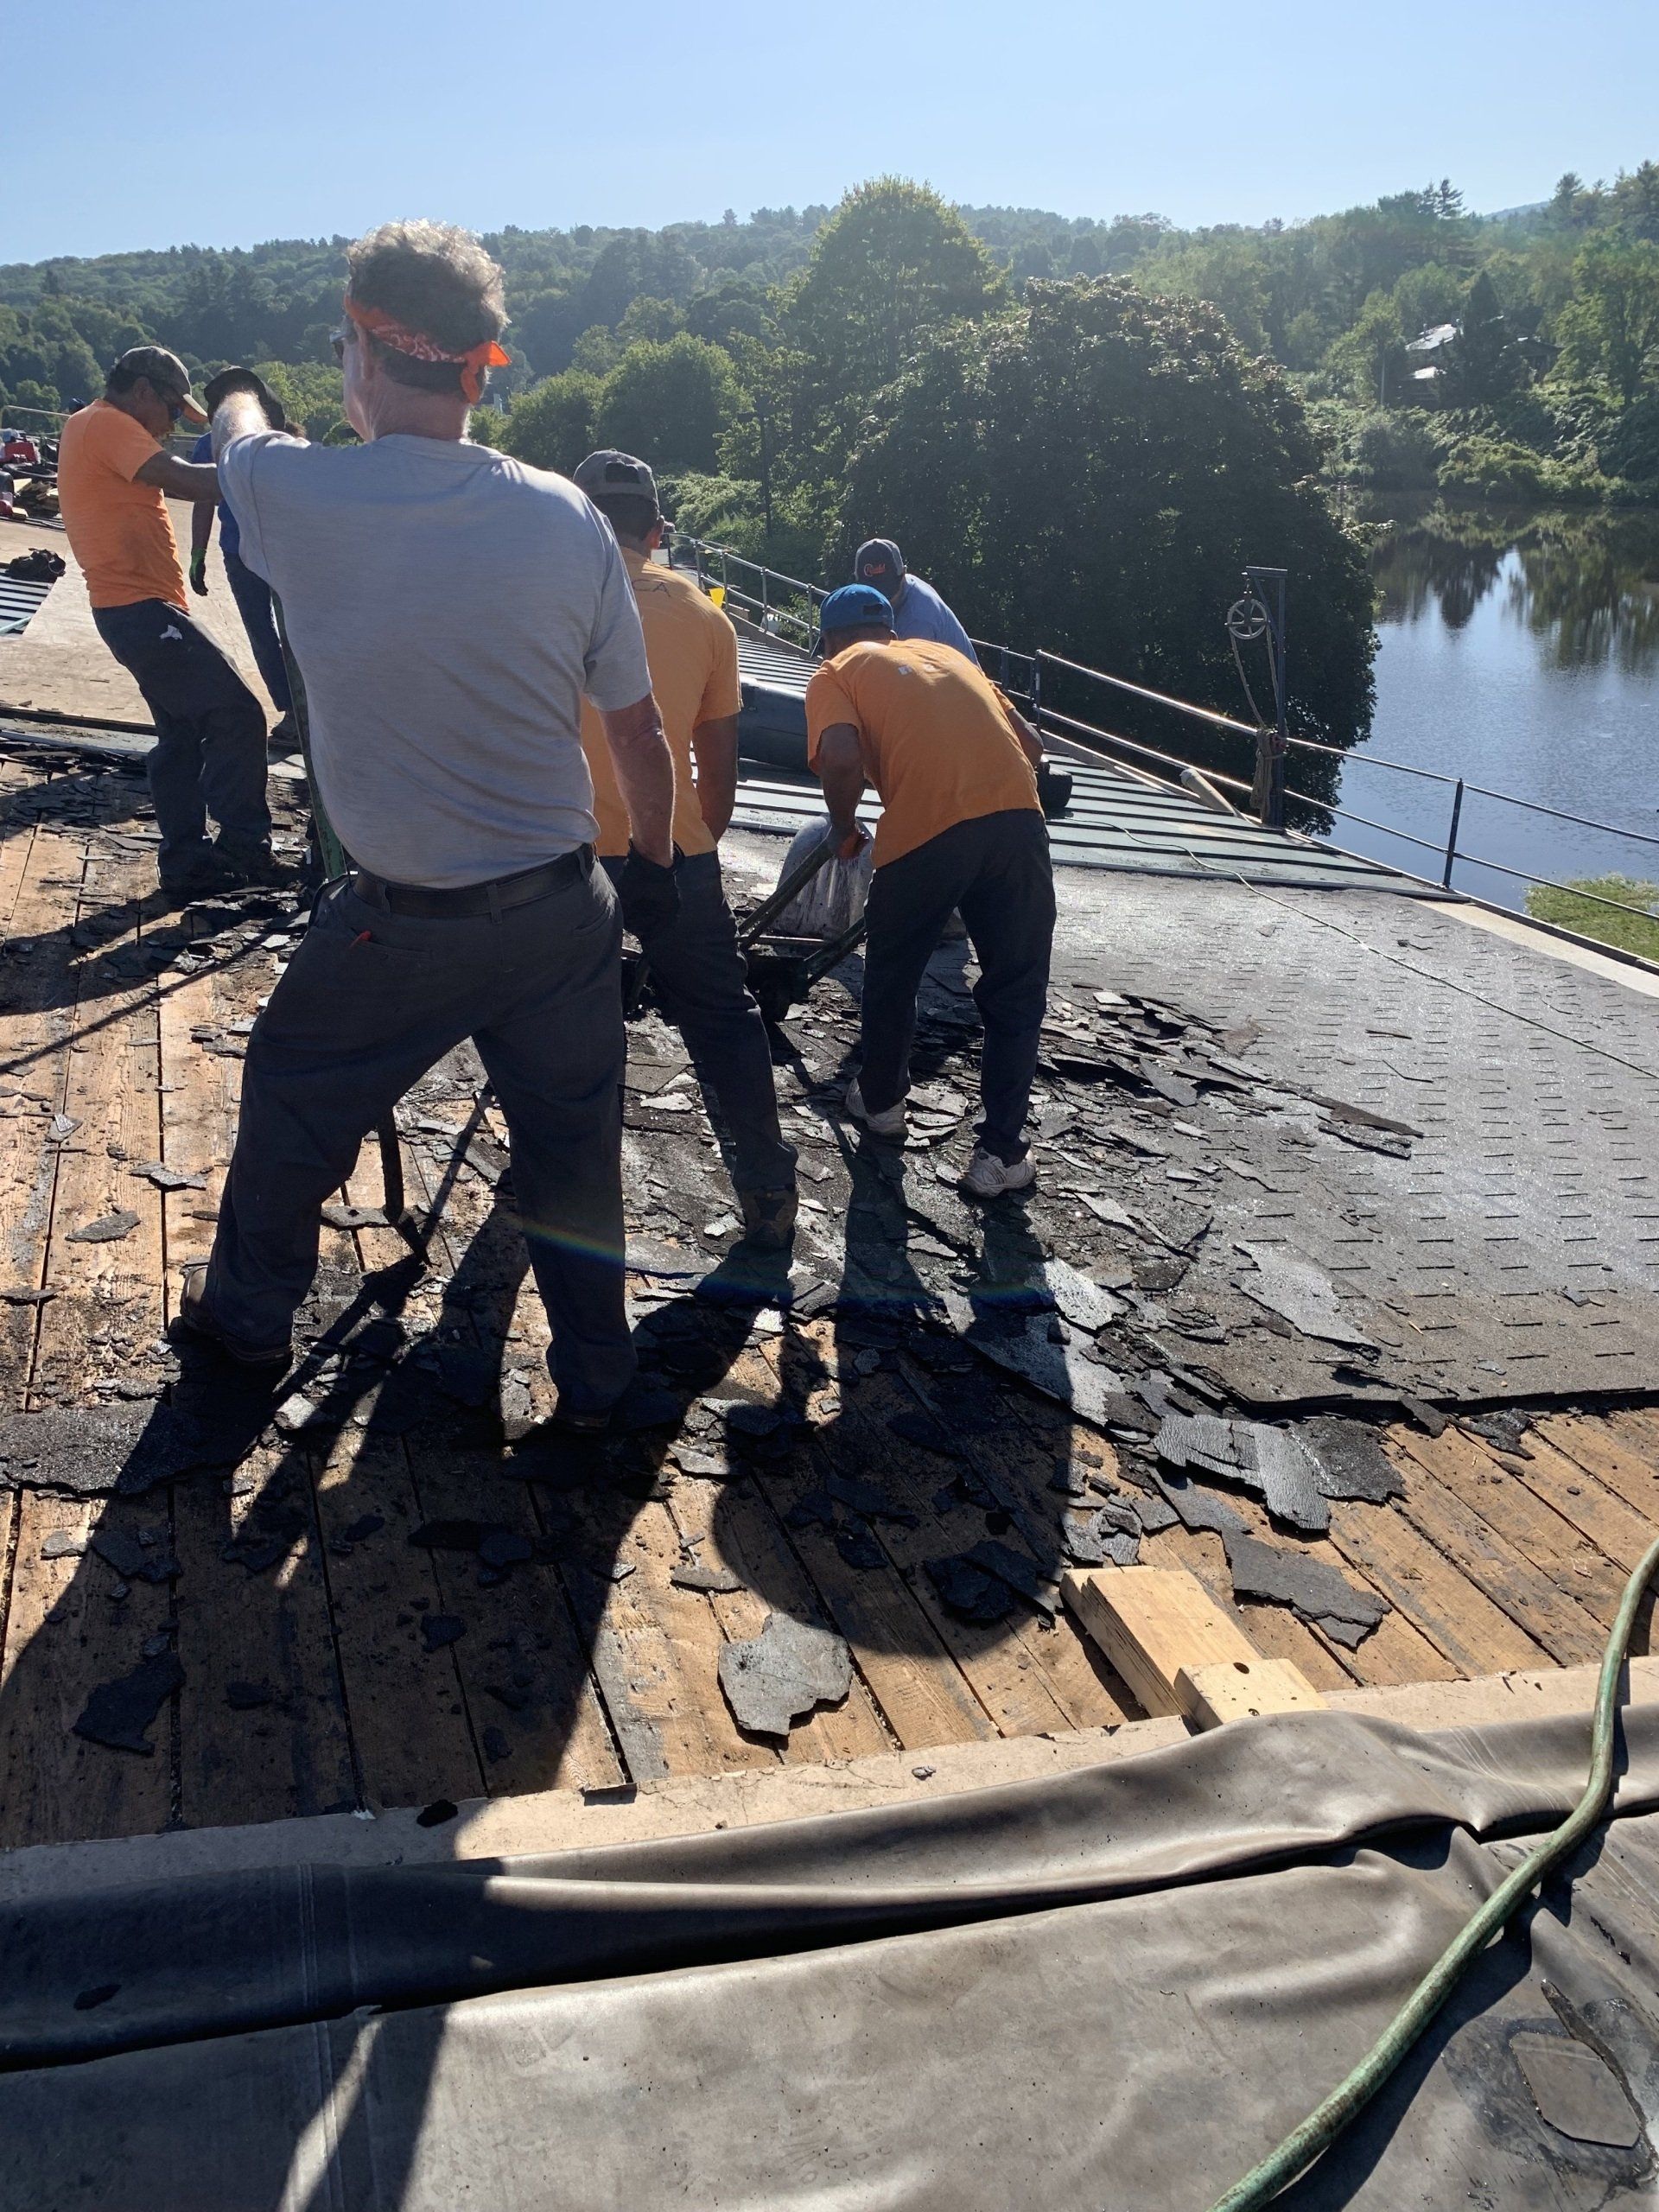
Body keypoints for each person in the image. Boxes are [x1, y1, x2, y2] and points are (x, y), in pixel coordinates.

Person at [175, 221, 677, 1435]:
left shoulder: (303, 492)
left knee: (295, 1099)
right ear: (476, 365)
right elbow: (642, 743)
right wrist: (643, 904)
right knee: (573, 1164)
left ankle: (245, 1333)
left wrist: (240, 393)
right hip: (566, 912)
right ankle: (600, 1384)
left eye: (344, 344)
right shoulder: (567, 518)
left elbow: (236, 445)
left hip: (405, 926)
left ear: (361, 351)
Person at [573, 448, 798, 1251]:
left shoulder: (537, 595)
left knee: (566, 1019)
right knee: (720, 1019)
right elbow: (720, 773)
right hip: (675, 847)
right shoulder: (706, 616)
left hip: (562, 855)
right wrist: (686, 848)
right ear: (658, 530)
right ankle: (767, 1187)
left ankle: (558, 1178)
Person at [805, 583, 1055, 1200]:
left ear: (833, 637)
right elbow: (1033, 748)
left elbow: (839, 754)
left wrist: (843, 825)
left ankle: (885, 1105)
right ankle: (1000, 1154)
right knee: (1015, 993)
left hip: (926, 832)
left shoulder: (836, 670)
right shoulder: (953, 658)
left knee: (894, 972)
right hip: (1020, 828)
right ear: (891, 629)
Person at [55, 346, 272, 896]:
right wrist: (264, 464)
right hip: (139, 609)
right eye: (174, 410)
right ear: (145, 392)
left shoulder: (91, 426)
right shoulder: (108, 424)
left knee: (180, 737)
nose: (173, 423)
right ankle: (243, 849)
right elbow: (191, 482)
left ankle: (186, 862)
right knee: (239, 714)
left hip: (134, 609)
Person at [188, 418, 298, 746]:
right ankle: (291, 711)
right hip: (238, 552)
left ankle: (311, 711)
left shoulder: (275, 442)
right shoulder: (208, 445)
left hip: (282, 552)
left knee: (294, 632)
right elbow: (203, 499)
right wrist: (197, 551)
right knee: (260, 632)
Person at [850, 537, 976, 661]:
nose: (880, 600)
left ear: (903, 574)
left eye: (886, 592)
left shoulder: (918, 621)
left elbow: (909, 674)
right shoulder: (907, 583)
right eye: (871, 591)